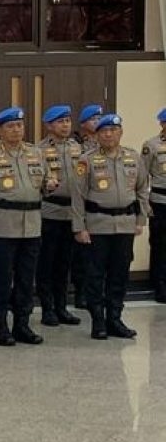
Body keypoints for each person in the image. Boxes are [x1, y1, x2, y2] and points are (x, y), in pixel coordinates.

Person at [0, 107, 55, 347]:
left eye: (19, 125)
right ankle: (1, 326)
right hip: (1, 226)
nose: (16, 130)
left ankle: (22, 324)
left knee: (26, 279)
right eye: (10, 126)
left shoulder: (35, 153)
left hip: (31, 226)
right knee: (0, 279)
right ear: (0, 130)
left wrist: (49, 185)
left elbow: (45, 183)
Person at [72, 114, 149, 340]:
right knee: (95, 275)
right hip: (97, 225)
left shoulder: (133, 157)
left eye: (113, 130)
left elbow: (142, 189)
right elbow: (78, 197)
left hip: (125, 225)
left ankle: (115, 318)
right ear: (96, 135)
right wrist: (79, 227)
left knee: (119, 274)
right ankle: (98, 320)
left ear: (120, 133)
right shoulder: (86, 160)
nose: (108, 134)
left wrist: (140, 220)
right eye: (104, 131)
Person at [36, 105, 83, 327]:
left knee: (65, 263)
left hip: (71, 213)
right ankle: (47, 308)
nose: (65, 125)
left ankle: (62, 306)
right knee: (47, 262)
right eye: (60, 121)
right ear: (48, 125)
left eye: (67, 120)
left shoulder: (77, 148)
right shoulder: (39, 150)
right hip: (49, 212)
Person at [71, 104, 105, 308]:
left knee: (95, 254)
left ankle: (94, 291)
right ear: (83, 124)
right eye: (94, 119)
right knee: (78, 254)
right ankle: (79, 291)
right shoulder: (75, 146)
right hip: (73, 205)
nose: (98, 123)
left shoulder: (105, 145)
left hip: (97, 208)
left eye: (100, 118)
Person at [139, 107, 166, 303]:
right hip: (160, 201)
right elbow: (142, 176)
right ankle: (160, 285)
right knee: (160, 245)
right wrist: (146, 204)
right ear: (162, 124)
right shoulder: (152, 145)